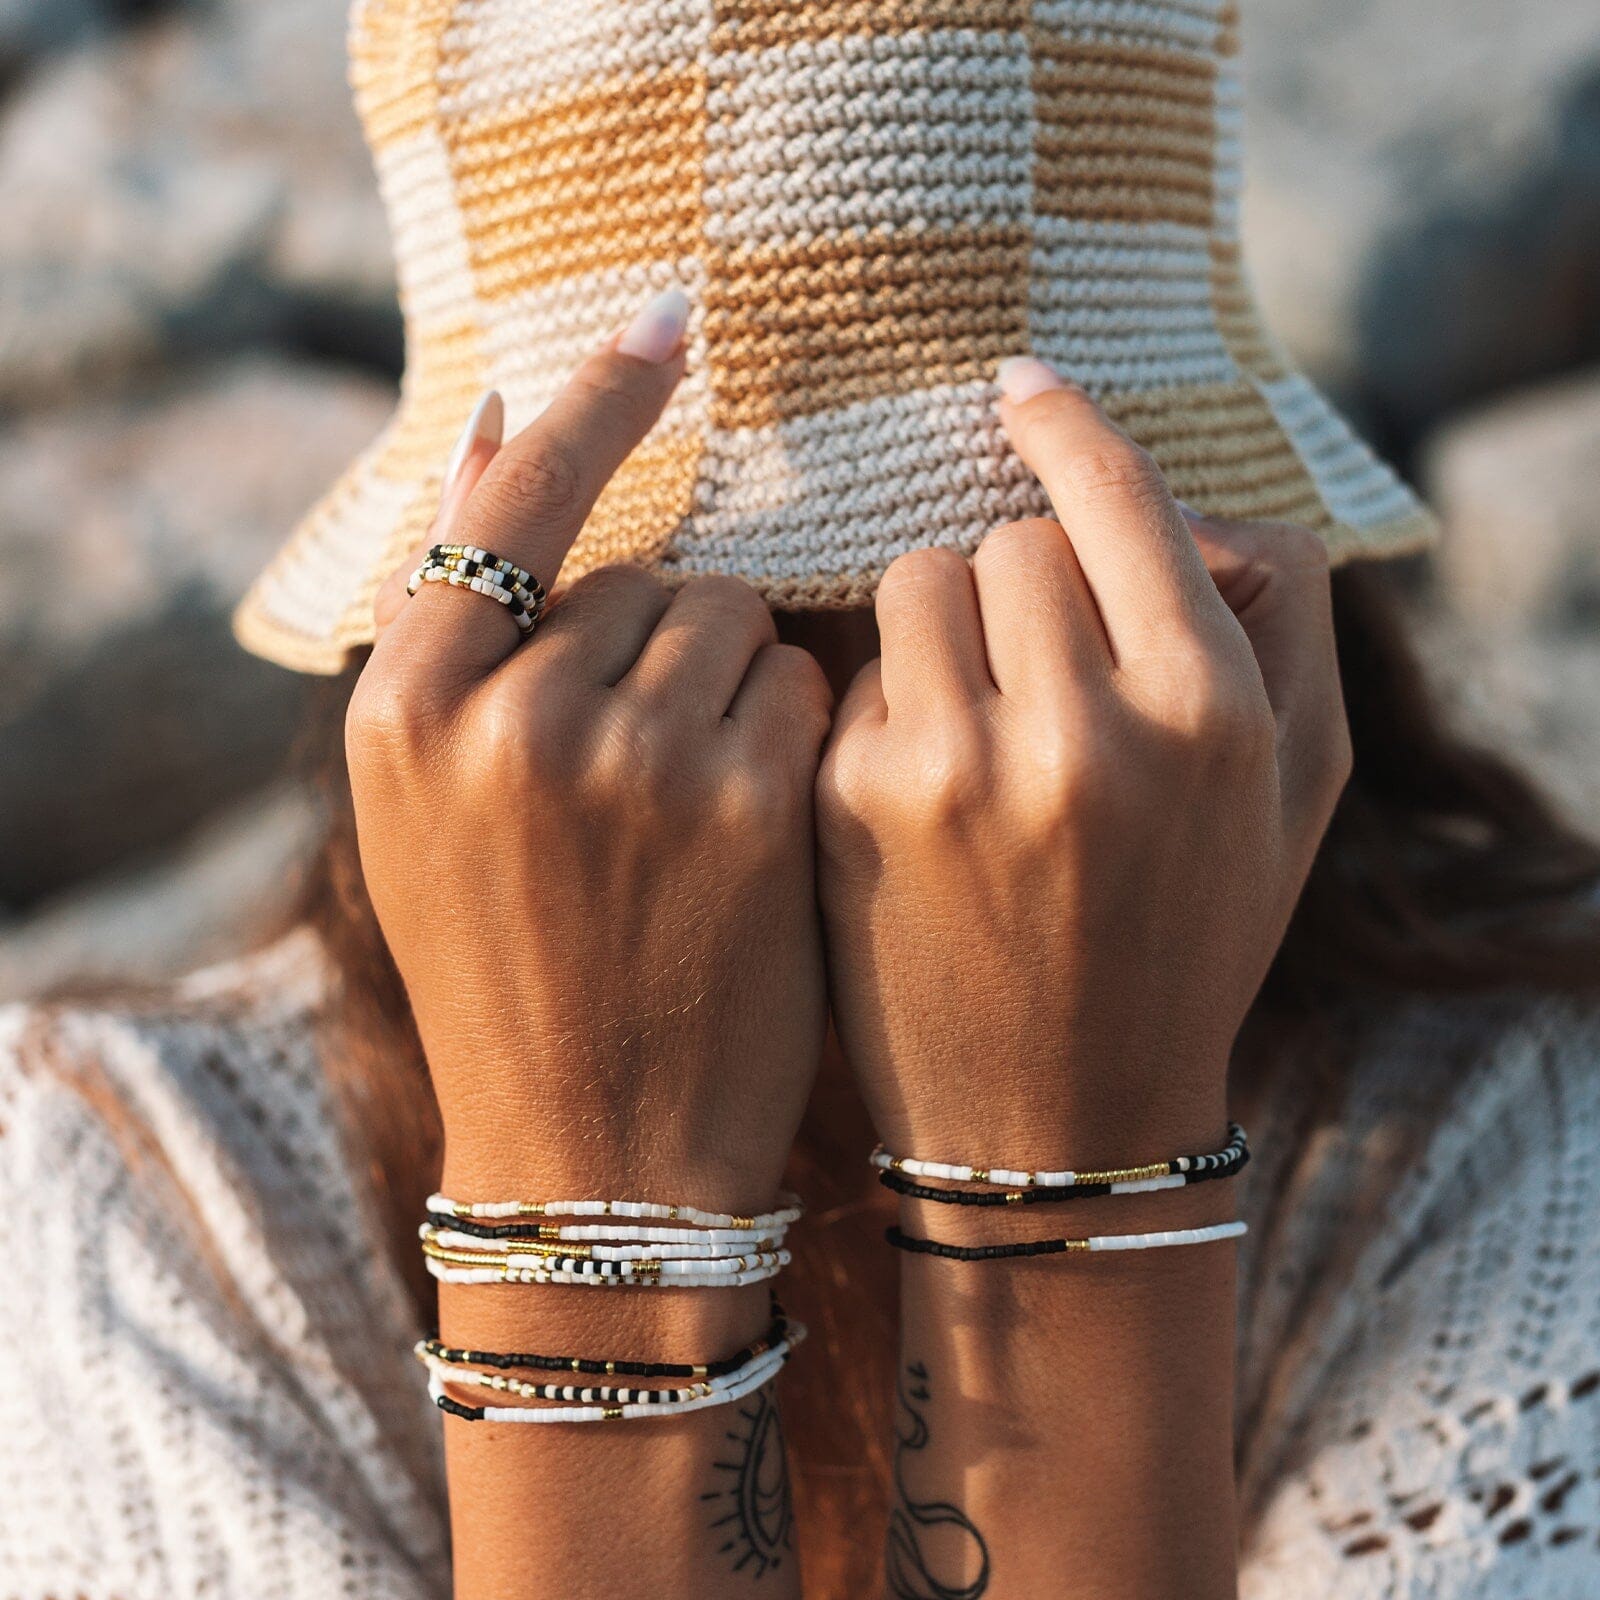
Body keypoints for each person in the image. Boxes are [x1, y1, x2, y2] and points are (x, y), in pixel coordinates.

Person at [6, 10, 1600, 1600]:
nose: (930, 754)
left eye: (1019, 596)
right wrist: (590, 1178)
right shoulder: (135, 1192)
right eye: (678, 636)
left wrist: (1070, 1153)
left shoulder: (1523, 1124)